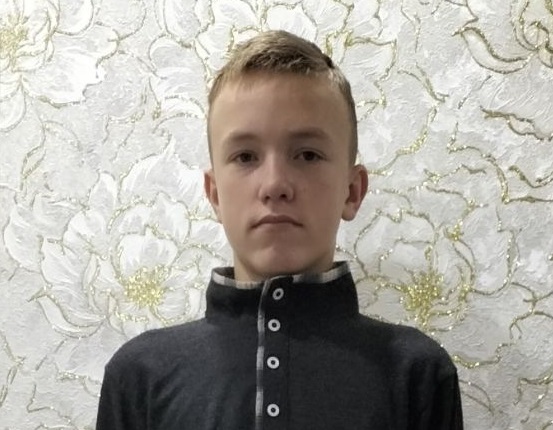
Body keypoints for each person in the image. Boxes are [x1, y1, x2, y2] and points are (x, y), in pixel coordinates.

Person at [96, 30, 464, 430]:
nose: (274, 184)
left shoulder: (416, 374)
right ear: (215, 195)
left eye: (307, 154)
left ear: (352, 191)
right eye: (245, 156)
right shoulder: (140, 376)